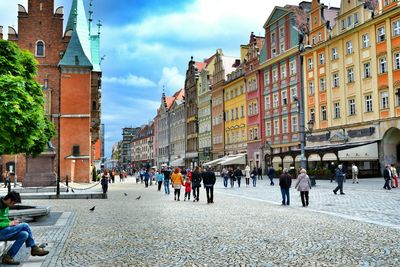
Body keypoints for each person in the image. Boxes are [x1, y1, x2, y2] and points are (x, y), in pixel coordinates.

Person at [0, 191, 49, 265]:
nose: (13, 205)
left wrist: (12, 223)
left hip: (5, 231)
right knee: (25, 225)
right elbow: (4, 223)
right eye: (13, 203)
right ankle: (34, 248)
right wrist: (8, 223)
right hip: (1, 232)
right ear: (9, 200)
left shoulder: (6, 206)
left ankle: (8, 257)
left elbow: (4, 220)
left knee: (24, 234)